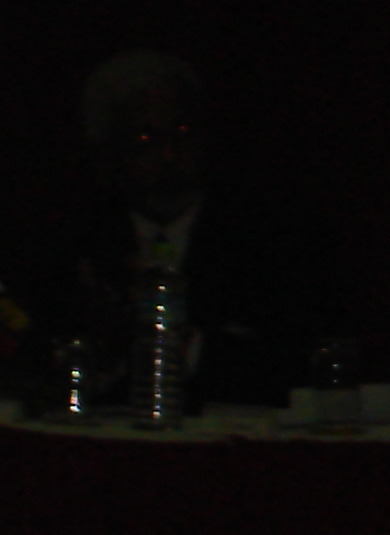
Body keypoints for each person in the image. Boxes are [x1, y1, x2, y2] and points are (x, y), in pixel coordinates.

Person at [36, 49, 325, 407]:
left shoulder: (268, 237)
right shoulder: (75, 243)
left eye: (182, 132)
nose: (169, 154)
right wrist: (103, 347)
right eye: (146, 138)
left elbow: (301, 362)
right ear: (109, 150)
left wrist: (185, 346)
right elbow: (39, 368)